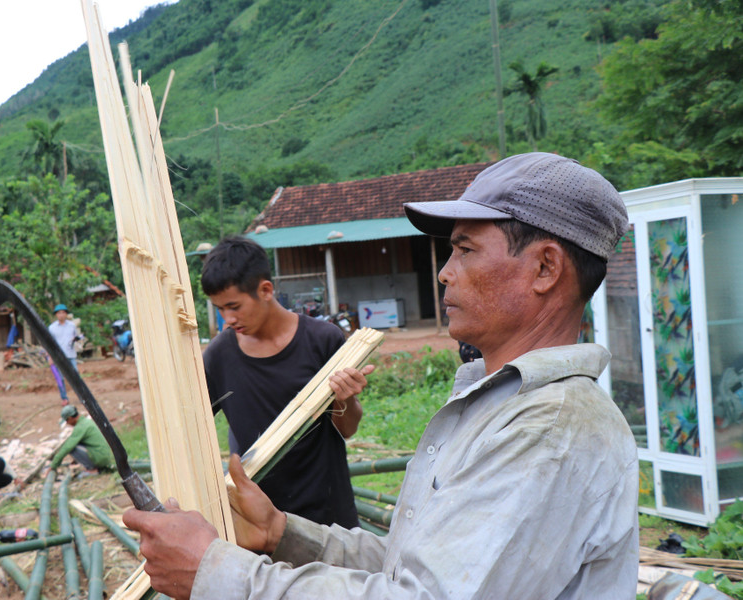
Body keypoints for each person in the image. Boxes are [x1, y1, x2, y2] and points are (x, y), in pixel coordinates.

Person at [122, 152, 640, 599]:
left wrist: (216, 573)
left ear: (546, 269)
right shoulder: (503, 405)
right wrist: (282, 532)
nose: (444, 271)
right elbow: (409, 566)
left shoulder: (551, 431)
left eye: (465, 249)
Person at [201, 236, 373, 527]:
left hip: (327, 512)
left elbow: (347, 429)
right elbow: (192, 430)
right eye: (219, 309)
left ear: (265, 290)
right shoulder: (219, 356)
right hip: (260, 518)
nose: (227, 319)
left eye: (234, 306)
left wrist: (347, 398)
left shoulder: (323, 340)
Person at [50, 404, 113, 475]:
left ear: (70, 418)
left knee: (72, 448)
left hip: (100, 458)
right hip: (104, 456)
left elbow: (67, 447)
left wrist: (53, 466)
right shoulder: (87, 422)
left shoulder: (80, 427)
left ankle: (93, 470)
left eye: (67, 421)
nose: (67, 423)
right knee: (76, 444)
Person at [48, 303, 79, 406]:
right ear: (56, 315)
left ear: (66, 314)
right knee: (60, 378)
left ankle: (81, 395)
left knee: (75, 376)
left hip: (70, 354)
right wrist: (50, 357)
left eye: (63, 313)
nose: (61, 315)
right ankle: (64, 398)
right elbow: (48, 343)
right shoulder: (52, 328)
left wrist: (76, 340)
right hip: (58, 356)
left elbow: (75, 337)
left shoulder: (72, 326)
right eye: (59, 313)